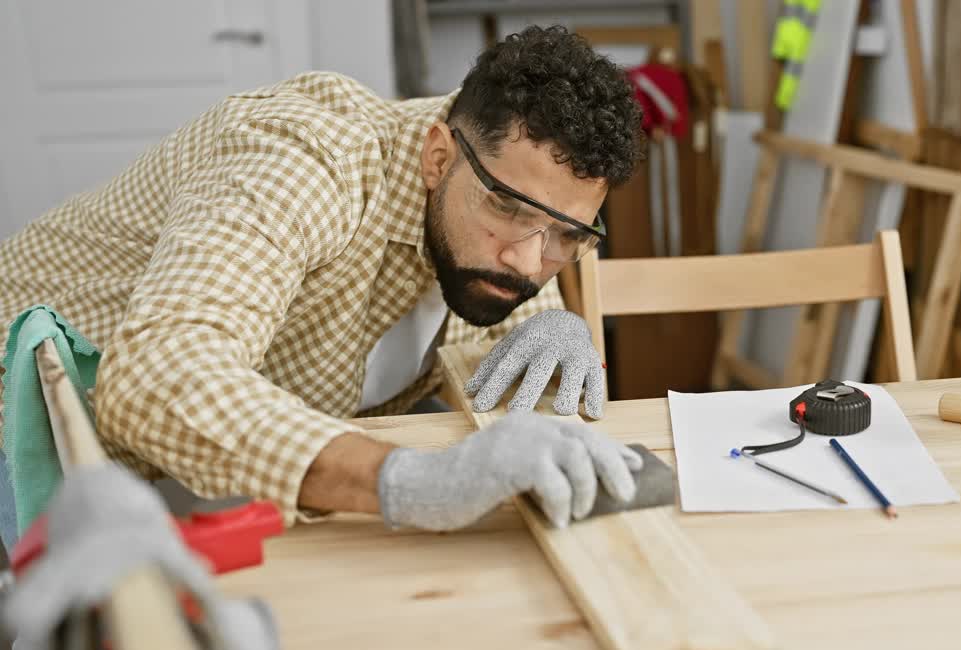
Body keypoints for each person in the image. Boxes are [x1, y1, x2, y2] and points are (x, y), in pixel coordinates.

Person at [0, 25, 647, 548]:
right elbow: (157, 377)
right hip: (25, 408)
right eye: (509, 209)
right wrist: (410, 480)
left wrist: (549, 324)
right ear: (437, 156)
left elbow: (511, 306)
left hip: (158, 454)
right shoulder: (305, 160)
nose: (531, 263)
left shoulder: (499, 199)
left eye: (567, 235)